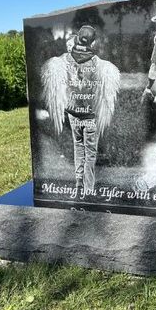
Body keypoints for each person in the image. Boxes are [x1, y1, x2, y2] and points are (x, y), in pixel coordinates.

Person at [38, 25, 120, 195]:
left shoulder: (63, 61)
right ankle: (88, 189)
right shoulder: (100, 64)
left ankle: (78, 184)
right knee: (90, 152)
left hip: (73, 113)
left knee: (78, 147)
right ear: (93, 42)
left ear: (76, 40)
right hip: (90, 115)